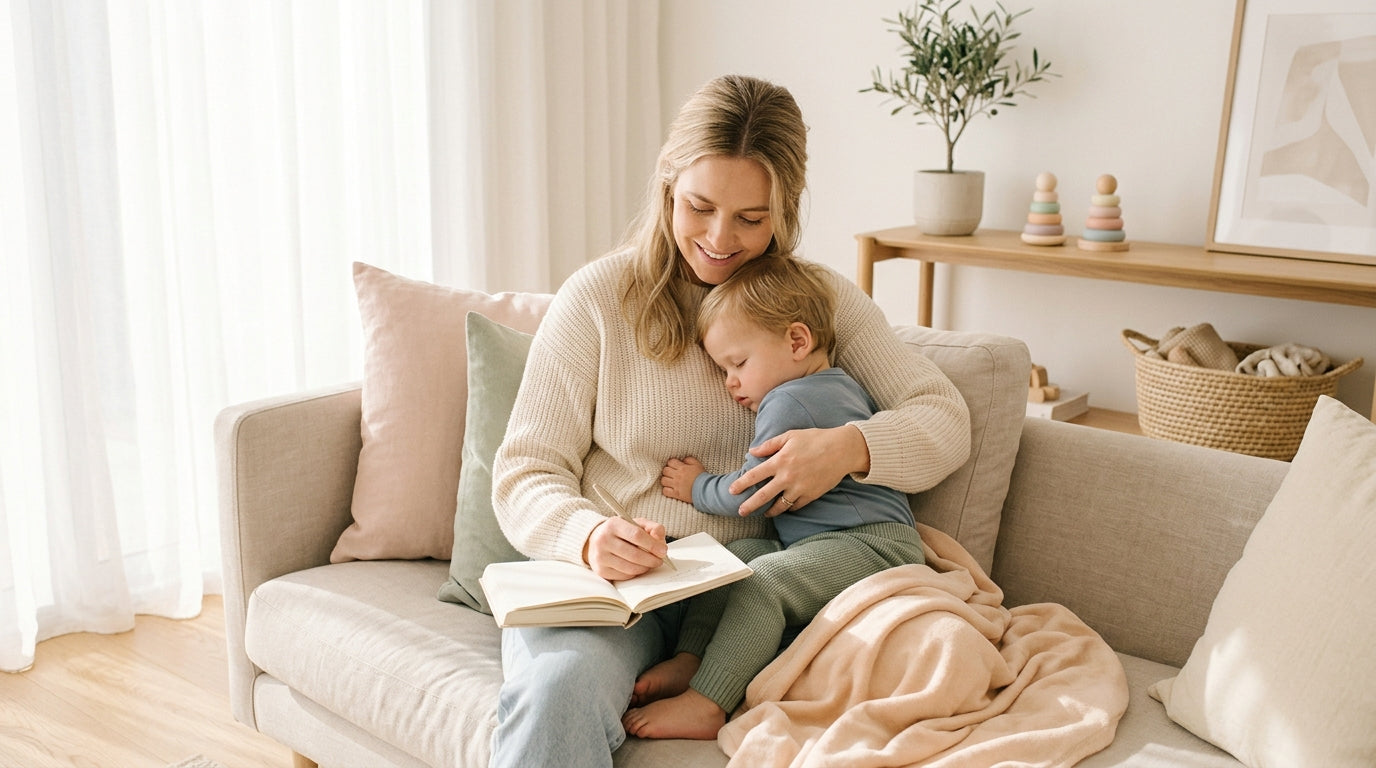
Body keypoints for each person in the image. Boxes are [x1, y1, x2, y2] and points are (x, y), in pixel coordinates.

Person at [489, 74, 971, 768]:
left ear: (787, 210)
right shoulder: (598, 296)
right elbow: (524, 469)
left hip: (744, 590)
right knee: (559, 687)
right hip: (613, 592)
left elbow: (943, 417)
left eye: (751, 217)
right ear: (667, 187)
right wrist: (589, 535)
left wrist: (850, 448)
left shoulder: (819, 300)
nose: (719, 240)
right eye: (700, 207)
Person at [621, 254, 927, 740]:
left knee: (760, 581)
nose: (731, 382)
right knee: (730, 558)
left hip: (873, 549)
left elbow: (756, 494)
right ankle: (691, 659)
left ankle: (707, 701)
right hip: (830, 546)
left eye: (738, 363)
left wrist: (697, 485)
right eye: (723, 369)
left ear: (797, 341)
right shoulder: (838, 385)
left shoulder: (790, 399)